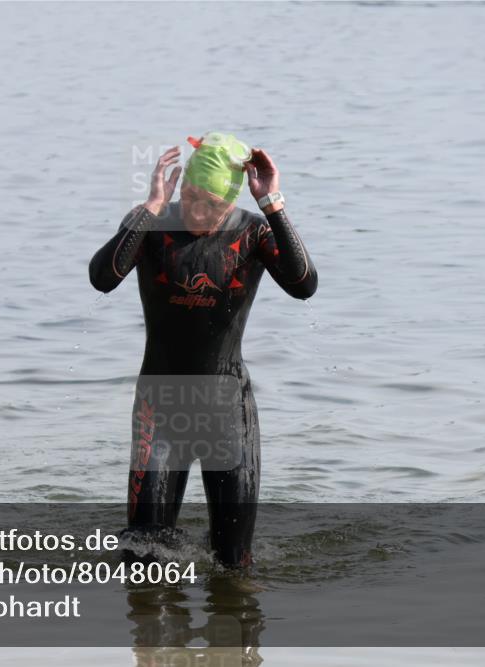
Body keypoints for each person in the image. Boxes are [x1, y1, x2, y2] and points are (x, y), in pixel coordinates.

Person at [88, 133, 317, 568]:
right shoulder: (151, 223)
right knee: (142, 554)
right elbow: (103, 277)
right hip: (161, 407)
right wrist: (153, 205)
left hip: (227, 411)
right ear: (180, 186)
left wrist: (273, 202)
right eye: (191, 196)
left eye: (212, 203)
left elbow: (303, 284)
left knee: (233, 562)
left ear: (231, 200)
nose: (198, 210)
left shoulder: (253, 232)